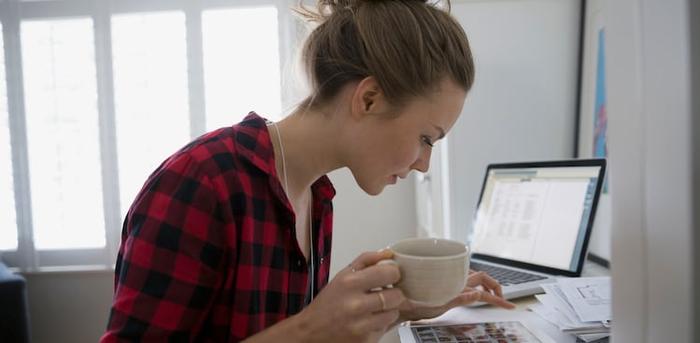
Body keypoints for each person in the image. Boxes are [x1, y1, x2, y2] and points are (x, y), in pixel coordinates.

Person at [101, 0, 515, 342]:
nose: (424, 163)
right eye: (427, 138)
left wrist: (398, 308)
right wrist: (313, 327)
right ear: (369, 98)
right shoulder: (200, 184)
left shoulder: (317, 197)